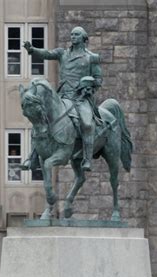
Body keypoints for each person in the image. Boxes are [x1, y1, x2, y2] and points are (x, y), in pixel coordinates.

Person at [22, 26, 102, 172]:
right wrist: (32, 50)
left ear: (84, 38)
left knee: (87, 124)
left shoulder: (91, 57)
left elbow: (98, 80)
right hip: (63, 96)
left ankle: (87, 159)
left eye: (76, 34)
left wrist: (88, 85)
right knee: (41, 120)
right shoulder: (62, 53)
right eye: (71, 34)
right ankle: (32, 157)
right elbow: (47, 54)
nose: (73, 37)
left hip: (80, 98)